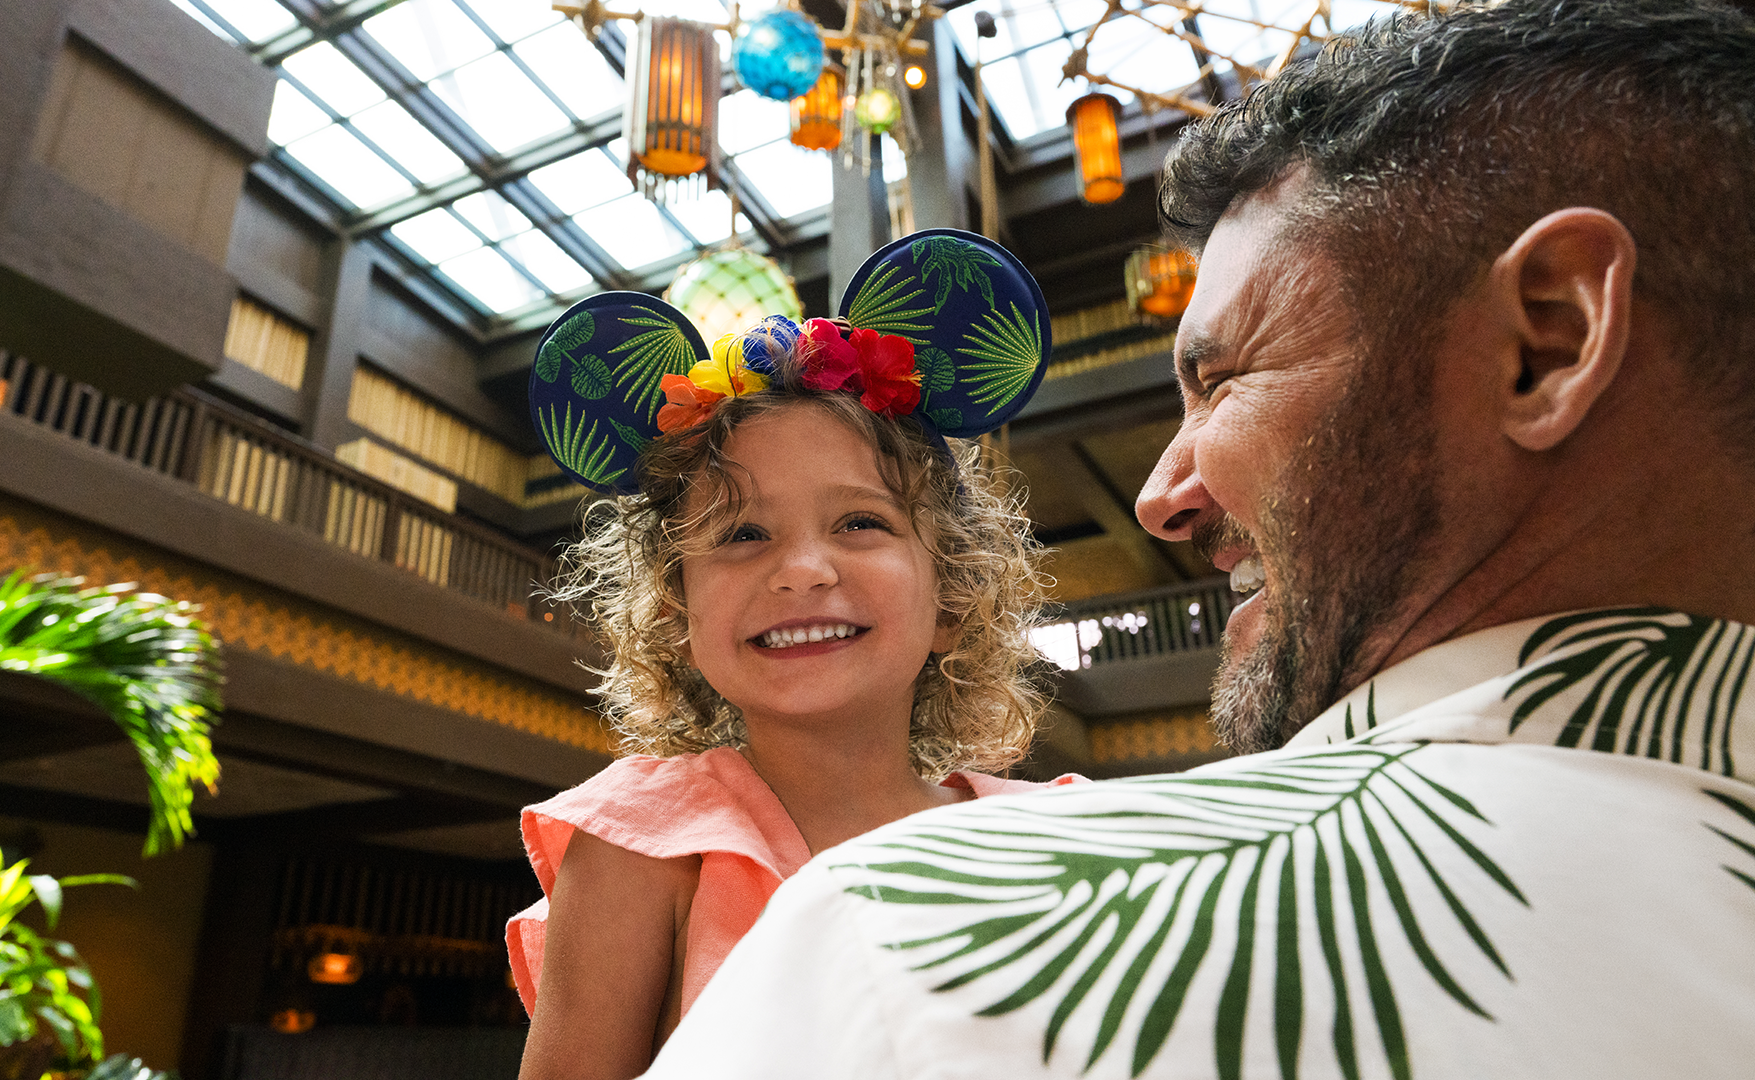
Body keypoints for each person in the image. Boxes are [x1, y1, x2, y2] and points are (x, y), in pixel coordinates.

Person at [639, 2, 1755, 1077]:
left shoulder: (926, 944)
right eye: (740, 534)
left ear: (1549, 340)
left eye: (1222, 380)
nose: (1162, 497)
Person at [506, 231, 1086, 1079]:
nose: (803, 570)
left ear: (953, 599)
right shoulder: (646, 849)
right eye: (742, 534)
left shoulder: (1044, 836)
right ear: (676, 610)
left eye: (861, 522)